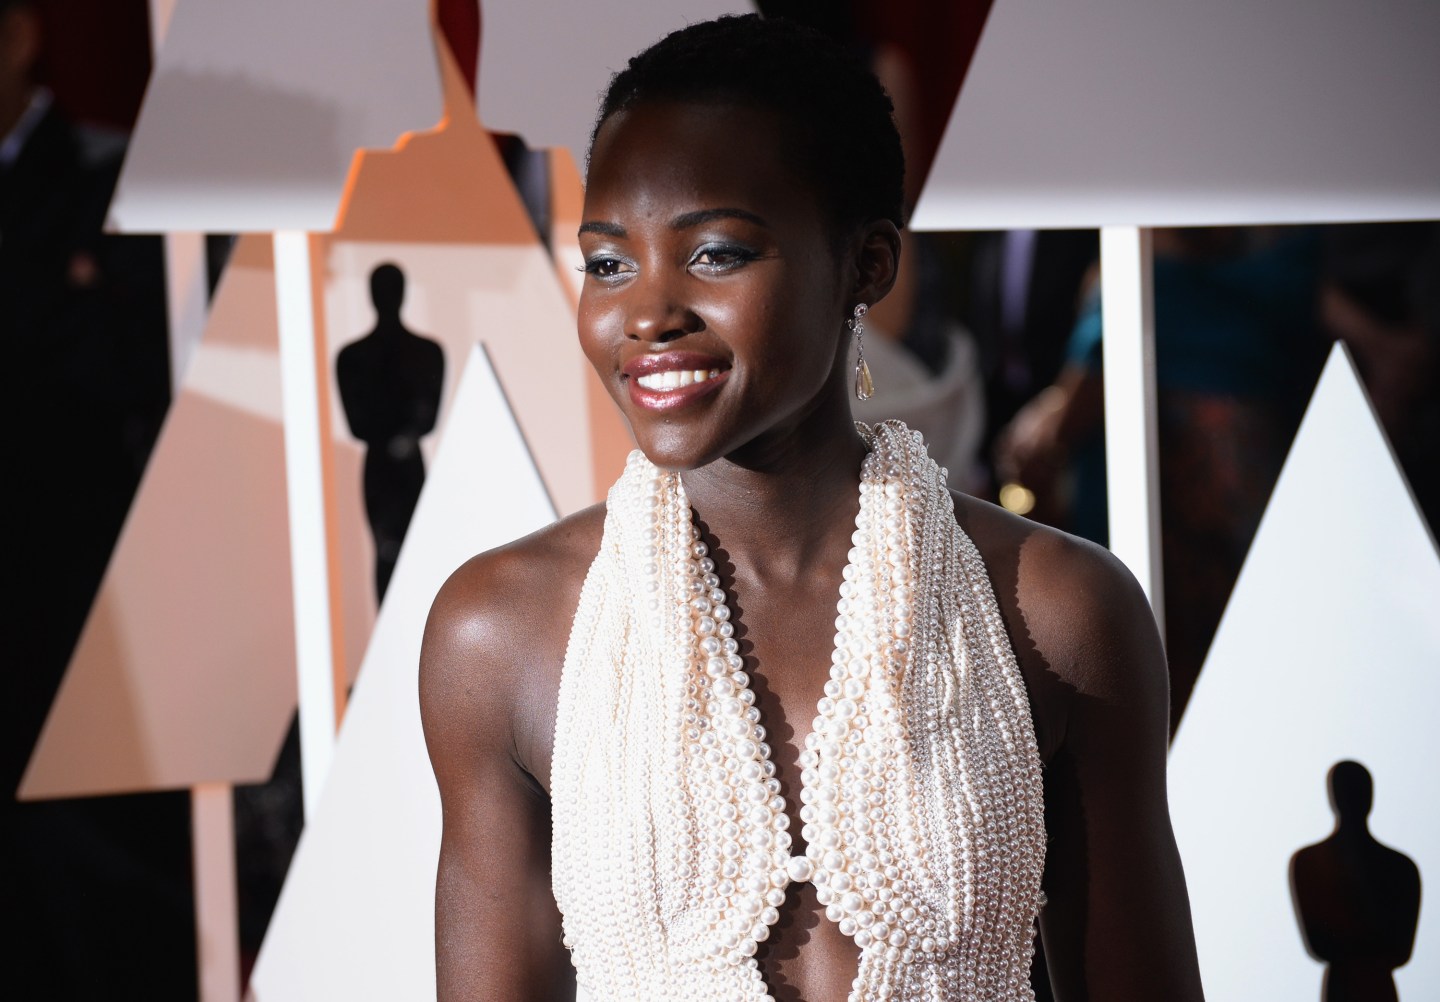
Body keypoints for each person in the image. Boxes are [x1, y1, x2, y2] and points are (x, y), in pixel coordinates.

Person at [420, 15, 1204, 1002]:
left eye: (715, 253)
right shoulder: (500, 633)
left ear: (867, 265)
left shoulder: (1058, 612)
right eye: (609, 262)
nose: (647, 313)